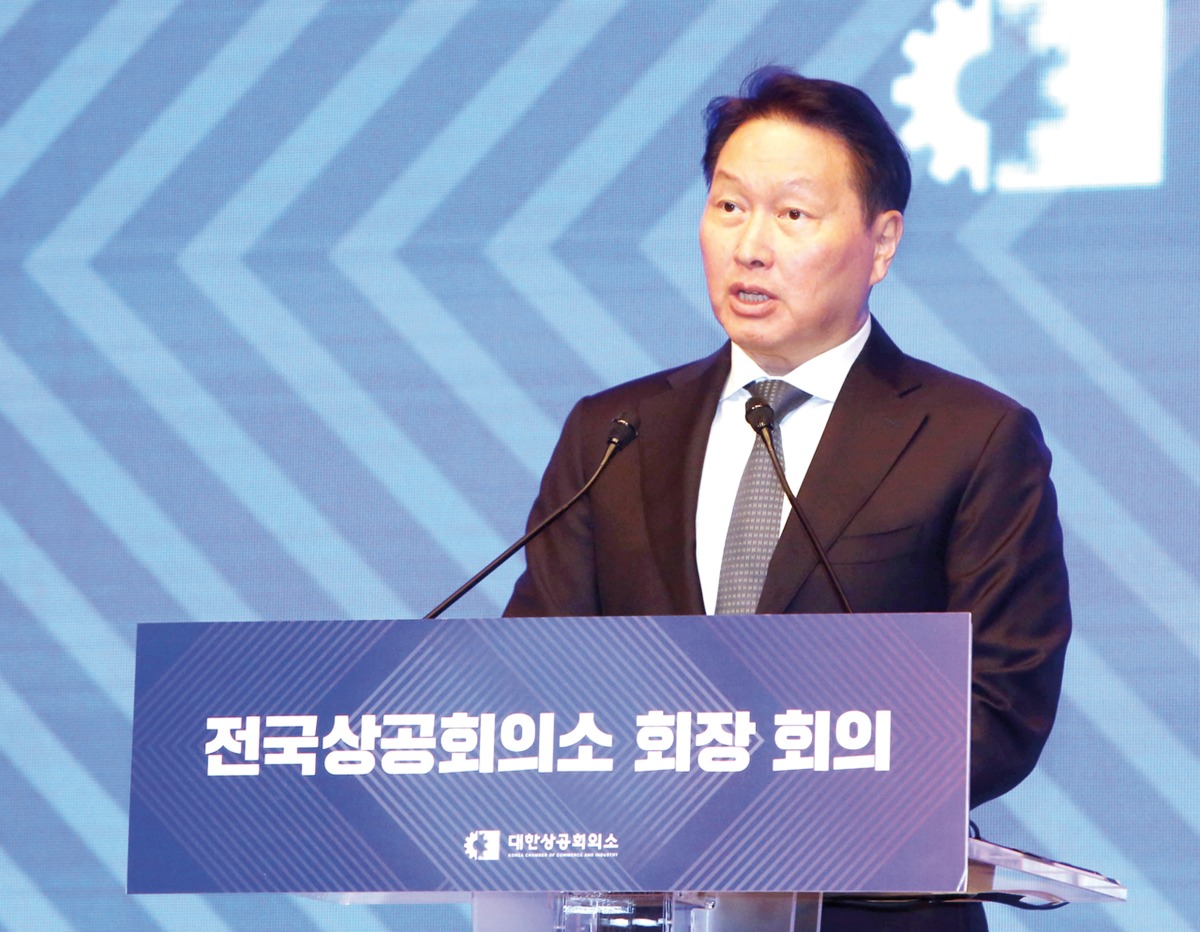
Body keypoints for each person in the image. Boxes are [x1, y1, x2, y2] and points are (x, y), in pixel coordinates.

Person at [506, 67, 1070, 932]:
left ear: (882, 243)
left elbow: (999, 708)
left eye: (794, 215)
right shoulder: (614, 433)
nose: (751, 246)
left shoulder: (973, 439)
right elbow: (531, 679)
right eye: (729, 206)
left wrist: (766, 798)